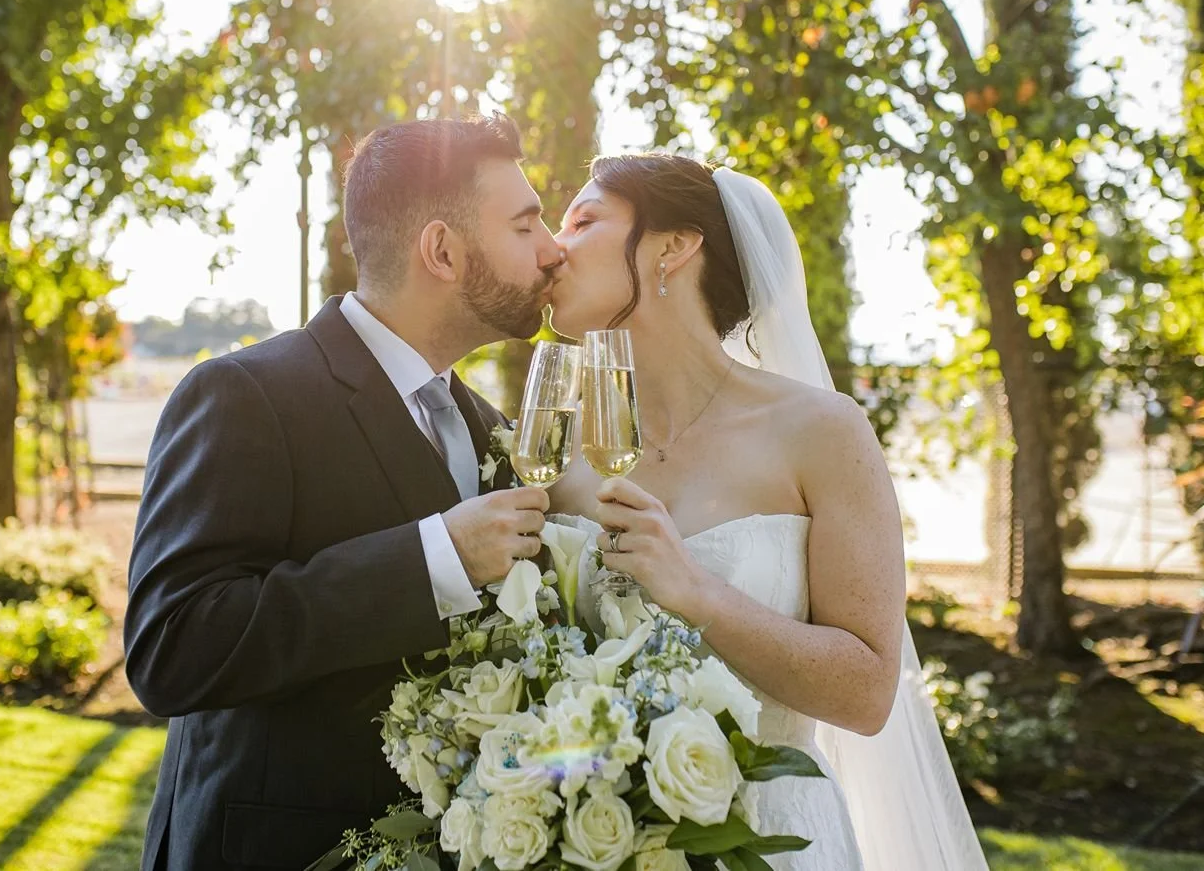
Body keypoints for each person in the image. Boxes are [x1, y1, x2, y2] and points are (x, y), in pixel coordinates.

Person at [123, 115, 563, 870]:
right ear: (443, 250)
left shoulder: (492, 428)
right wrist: (434, 560)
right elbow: (172, 647)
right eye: (526, 226)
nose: (555, 249)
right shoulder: (242, 395)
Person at [547, 151, 989, 871]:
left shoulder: (821, 433)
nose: (550, 247)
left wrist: (697, 592)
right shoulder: (557, 454)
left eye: (583, 221)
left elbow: (868, 690)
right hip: (588, 842)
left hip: (772, 841)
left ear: (672, 246)